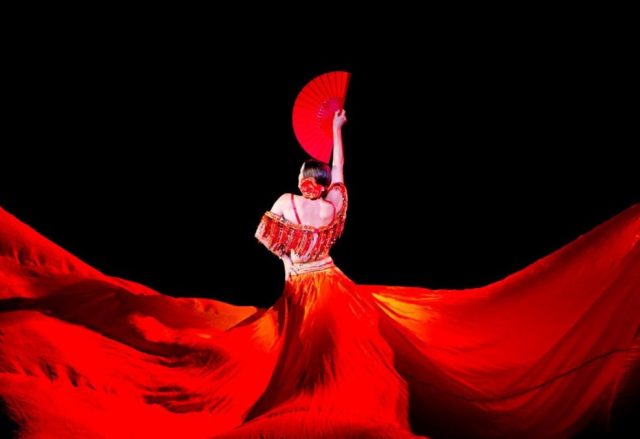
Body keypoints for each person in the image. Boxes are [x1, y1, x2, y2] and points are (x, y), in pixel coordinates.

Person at [0, 111, 638, 438]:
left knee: (304, 367)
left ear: (299, 179)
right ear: (322, 180)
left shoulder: (284, 204)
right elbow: (341, 177)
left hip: (303, 291)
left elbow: (267, 239)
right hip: (334, 285)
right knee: (356, 362)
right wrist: (336, 132)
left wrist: (292, 231)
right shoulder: (333, 205)